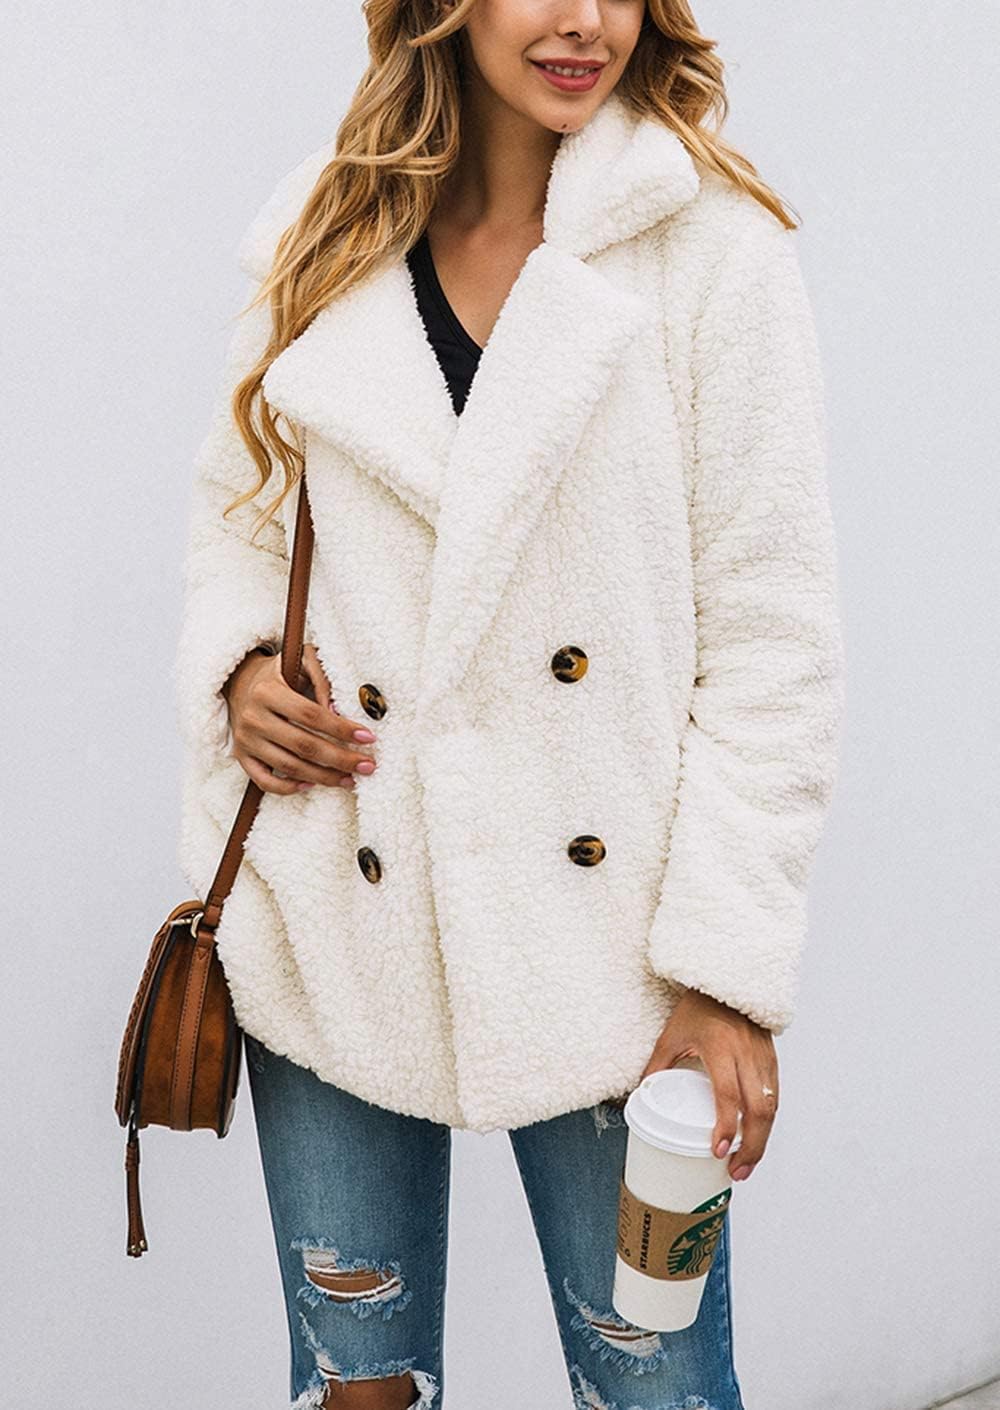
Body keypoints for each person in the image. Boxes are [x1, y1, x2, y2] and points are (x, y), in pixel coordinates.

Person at [174, 2, 845, 1406]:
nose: (585, 20)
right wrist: (241, 667)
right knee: (353, 1386)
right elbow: (240, 512)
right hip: (342, 912)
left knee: (655, 1385)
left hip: (622, 960)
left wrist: (724, 967)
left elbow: (774, 642)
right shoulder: (322, 231)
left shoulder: (709, 250)